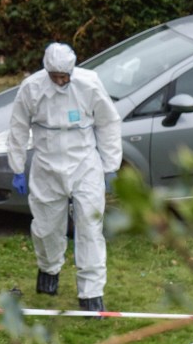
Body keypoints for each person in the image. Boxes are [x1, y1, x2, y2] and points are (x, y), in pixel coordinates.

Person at [7, 42, 122, 312]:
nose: (60, 81)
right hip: (47, 164)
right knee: (46, 226)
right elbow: (18, 125)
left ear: (72, 71)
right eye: (55, 76)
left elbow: (108, 122)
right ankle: (49, 269)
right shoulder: (32, 88)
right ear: (46, 71)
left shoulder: (89, 84)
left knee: (90, 229)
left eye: (64, 76)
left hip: (84, 163)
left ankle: (91, 293)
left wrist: (110, 165)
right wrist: (16, 166)